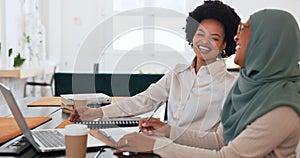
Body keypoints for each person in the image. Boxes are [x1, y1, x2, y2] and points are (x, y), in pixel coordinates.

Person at [116, 9, 300, 157]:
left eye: (244, 28)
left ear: (267, 42)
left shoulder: (282, 107)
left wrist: (156, 147)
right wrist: (167, 131)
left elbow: (228, 155)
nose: (237, 36)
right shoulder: (249, 88)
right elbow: (220, 140)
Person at [70, 0, 240, 132]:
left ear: (225, 44)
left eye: (214, 38)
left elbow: (220, 140)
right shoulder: (178, 73)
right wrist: (96, 113)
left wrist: (166, 132)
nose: (204, 41)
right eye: (200, 33)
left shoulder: (230, 85)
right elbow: (144, 101)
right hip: (164, 148)